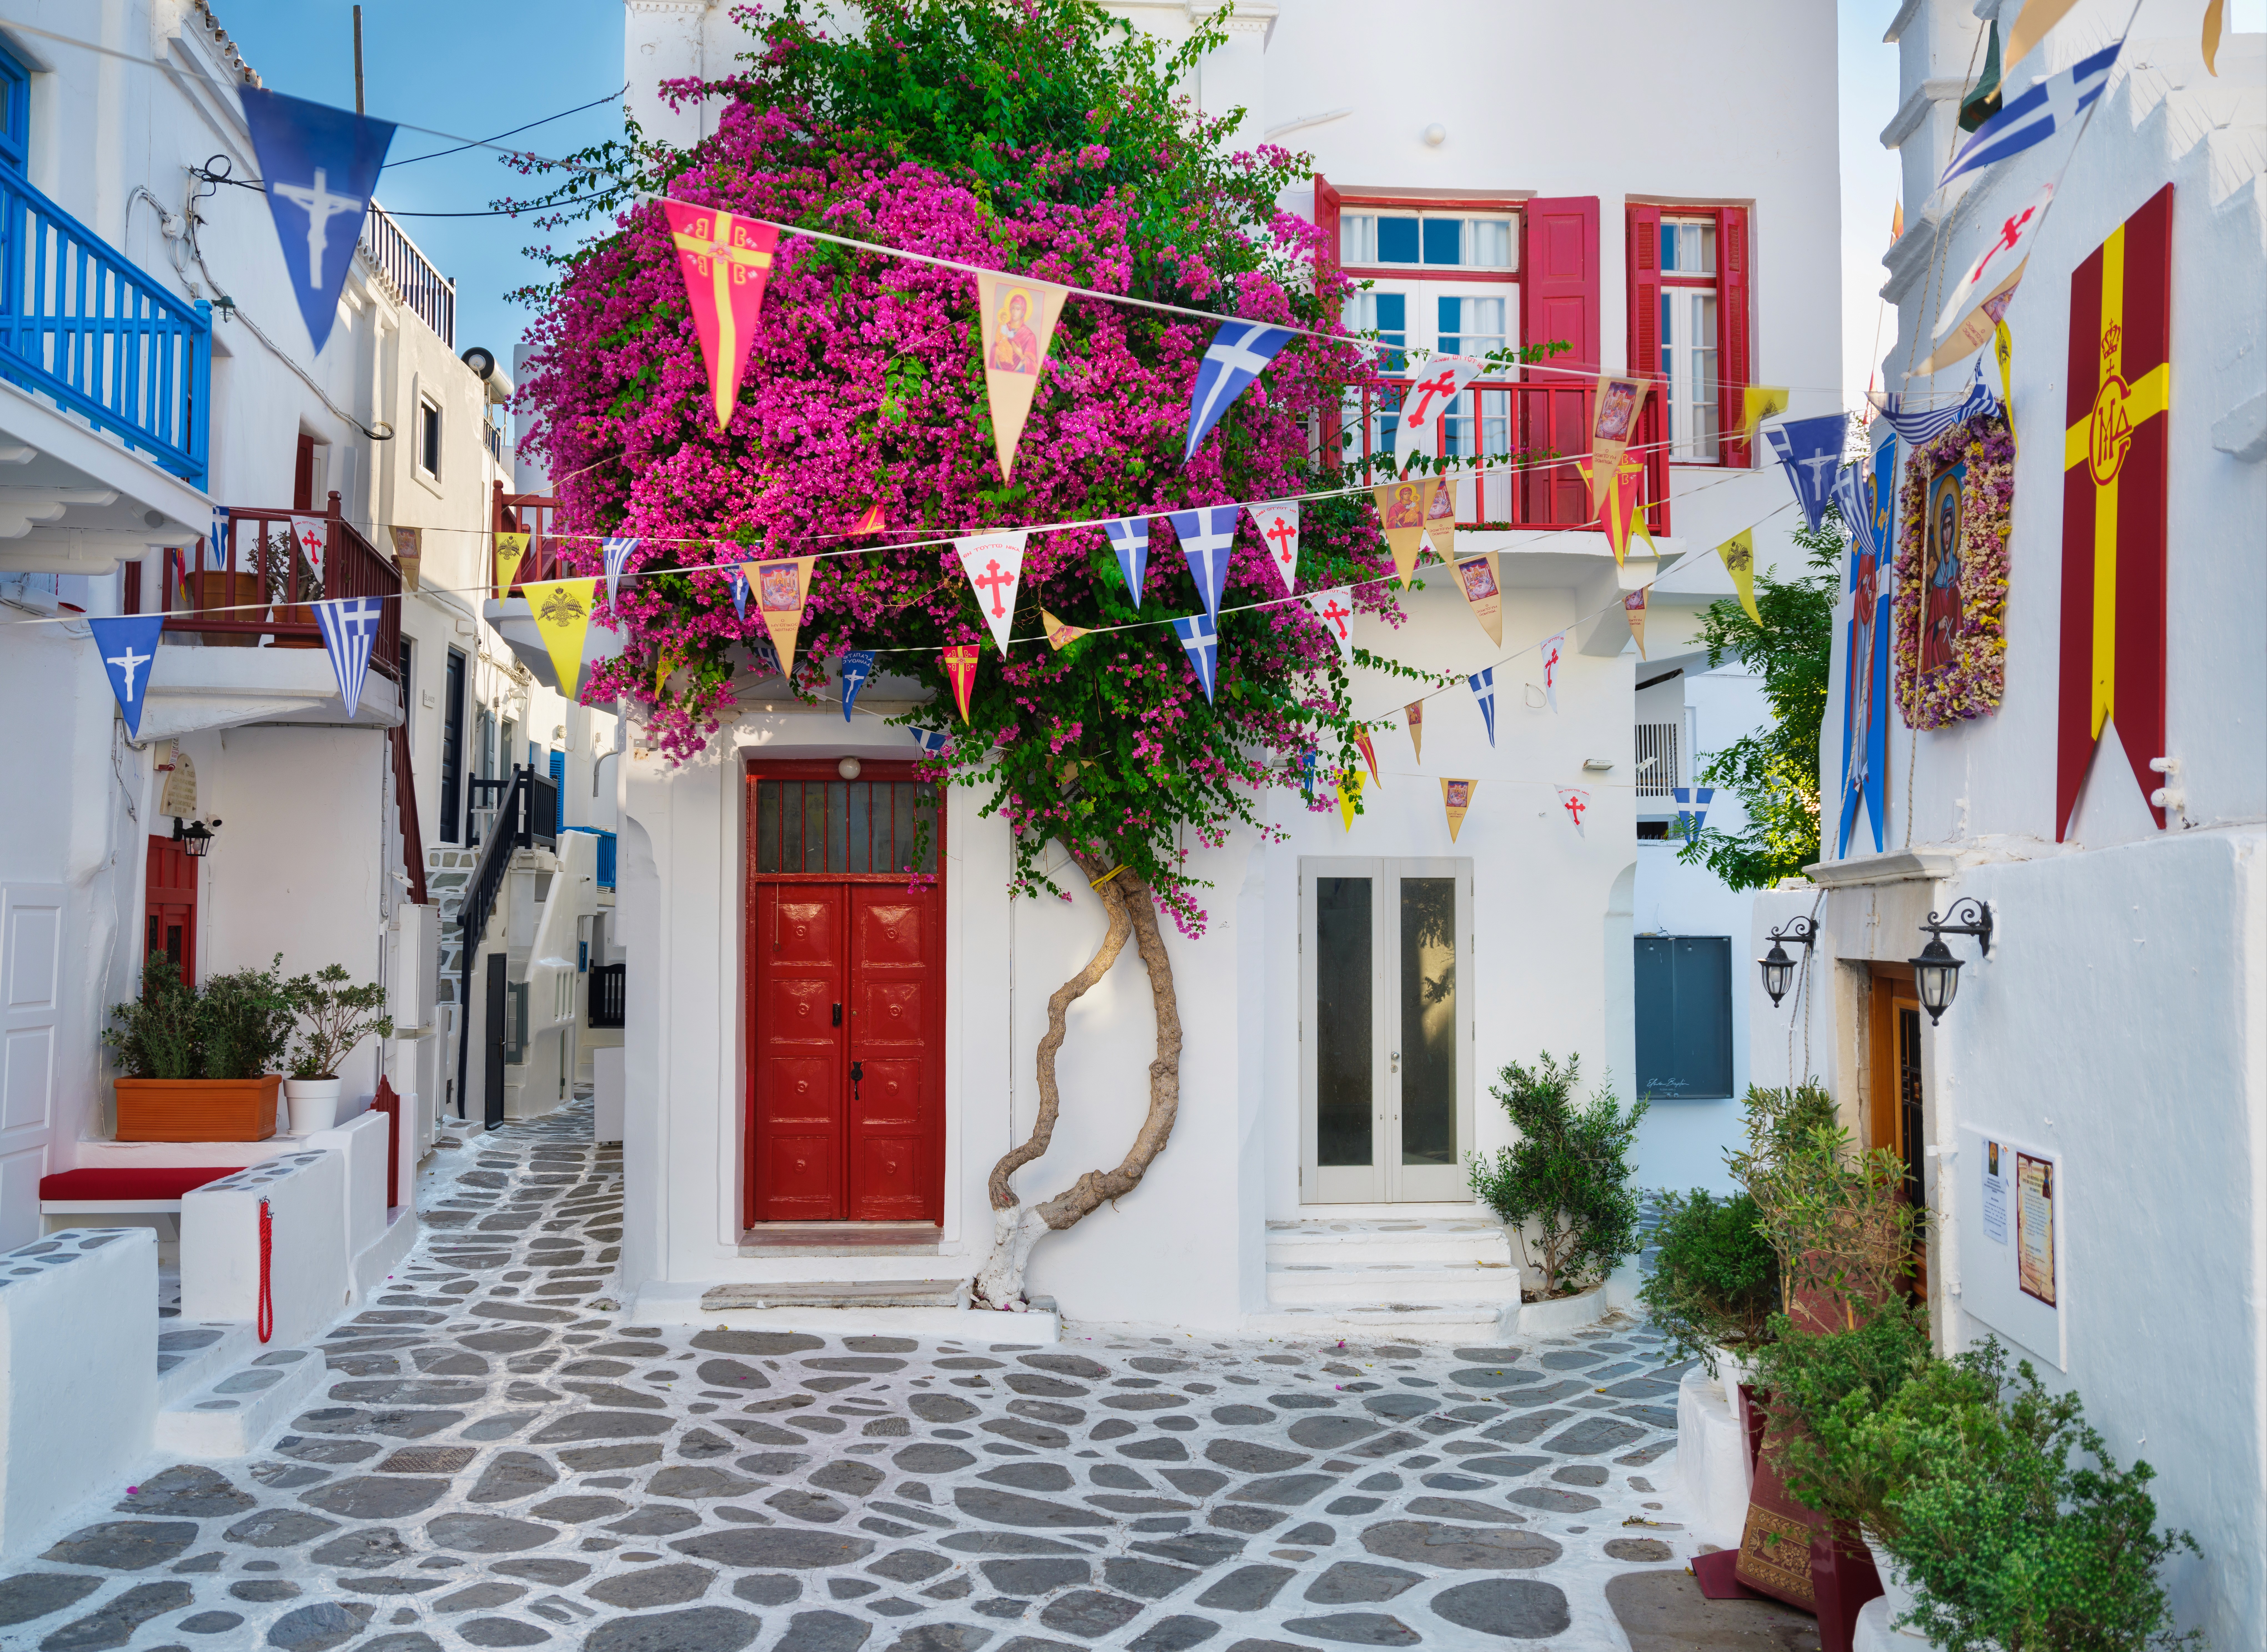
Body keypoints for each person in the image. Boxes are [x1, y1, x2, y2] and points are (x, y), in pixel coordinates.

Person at [1923, 472, 1965, 673]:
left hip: (1956, 653)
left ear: (1955, 530)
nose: (1947, 534)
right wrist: (1938, 625)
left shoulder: (1960, 574)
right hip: (1938, 659)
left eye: (1950, 527)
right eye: (1944, 528)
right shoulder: (1937, 583)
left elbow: (1966, 616)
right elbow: (1927, 635)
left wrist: (1960, 644)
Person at [990, 290, 1039, 375]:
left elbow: (1034, 367)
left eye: (1018, 309)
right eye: (1013, 308)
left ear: (1023, 313)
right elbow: (996, 344)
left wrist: (1021, 355)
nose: (1014, 312)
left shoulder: (1029, 336)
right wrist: (995, 351)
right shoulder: (1003, 327)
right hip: (999, 375)